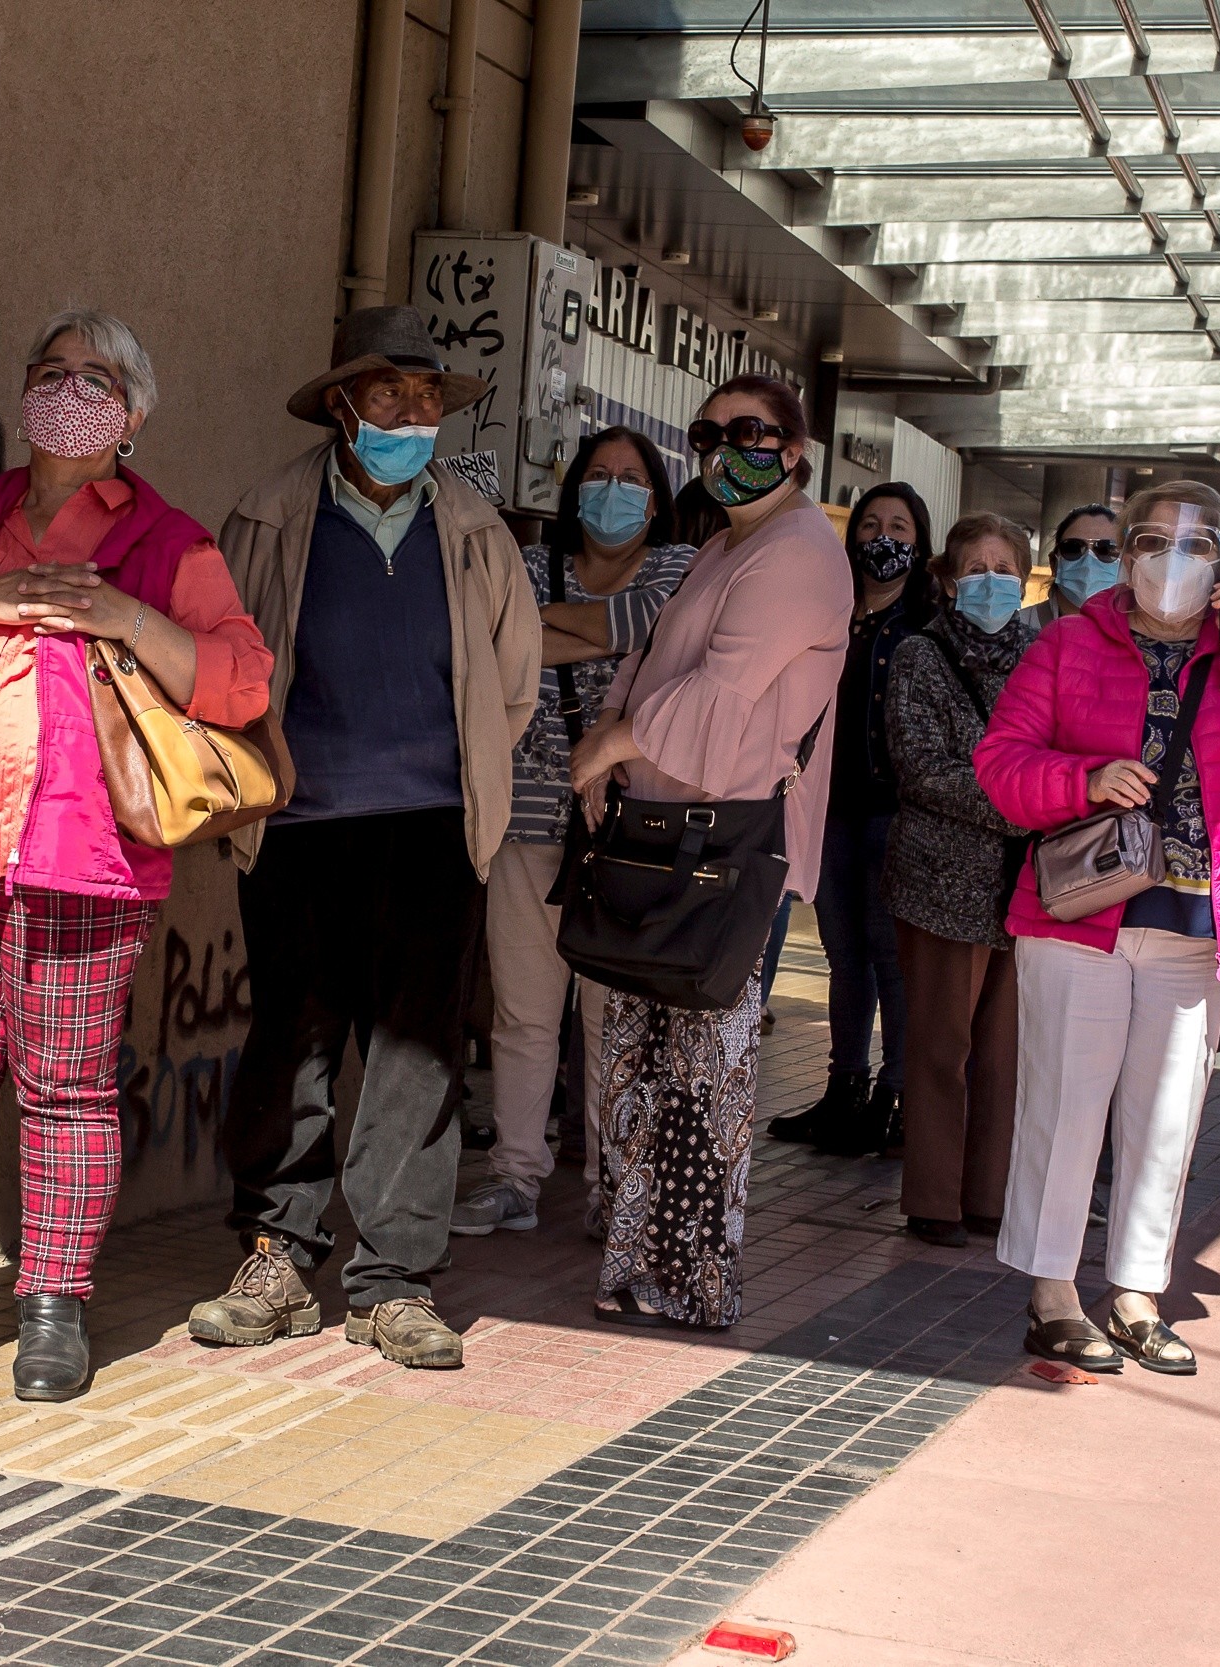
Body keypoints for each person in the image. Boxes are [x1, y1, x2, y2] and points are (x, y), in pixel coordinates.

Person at [0, 309, 273, 1401]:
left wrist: (123, 614)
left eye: (93, 378)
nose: (67, 390)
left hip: (79, 852)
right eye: (49, 372)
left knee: (68, 1087)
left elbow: (240, 680)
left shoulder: (167, 540)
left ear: (128, 416)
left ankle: (50, 1304)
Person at [190, 306, 538, 1371]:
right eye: (387, 394)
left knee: (416, 1057)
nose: (410, 414)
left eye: (426, 397)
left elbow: (511, 680)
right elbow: (223, 665)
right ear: (341, 403)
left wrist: (457, 773)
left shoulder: (472, 525)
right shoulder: (267, 515)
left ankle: (392, 1279)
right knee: (291, 1038)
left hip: (434, 826)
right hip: (296, 824)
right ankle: (278, 1254)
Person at [976, 481, 1220, 1374]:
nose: (1171, 560)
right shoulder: (1066, 642)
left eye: (1195, 544)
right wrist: (1085, 780)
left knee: (1168, 1114)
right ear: (1125, 553)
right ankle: (1051, 1292)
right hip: (1079, 915)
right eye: (1153, 540)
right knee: (1065, 1105)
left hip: (1196, 922)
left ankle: (1135, 1289)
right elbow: (1001, 764)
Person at [569, 373, 850, 1327]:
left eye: (752, 432)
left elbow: (723, 693)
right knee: (643, 1059)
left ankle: (689, 1276)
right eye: (711, 432)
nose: (729, 447)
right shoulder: (728, 546)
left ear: (797, 448)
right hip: (668, 833)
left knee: (701, 1063)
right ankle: (634, 1260)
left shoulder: (800, 551)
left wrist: (610, 742)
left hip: (726, 846)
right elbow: (654, 663)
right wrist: (613, 728)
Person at [452, 426, 696, 1239]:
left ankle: (610, 1185)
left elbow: (648, 624)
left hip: (626, 825)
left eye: (631, 478)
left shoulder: (679, 568)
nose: (614, 490)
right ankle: (515, 1176)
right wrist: (602, 627)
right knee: (523, 1014)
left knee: (610, 1016)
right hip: (526, 816)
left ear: (657, 498)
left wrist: (543, 634)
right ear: (574, 488)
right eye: (599, 475)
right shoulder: (526, 564)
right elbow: (491, 640)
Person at [882, 512, 1041, 1247]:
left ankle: (988, 1195)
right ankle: (934, 1199)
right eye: (974, 568)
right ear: (947, 579)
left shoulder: (1044, 657)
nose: (989, 581)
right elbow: (922, 766)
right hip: (941, 882)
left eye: (1003, 568)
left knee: (1004, 1054)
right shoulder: (920, 655)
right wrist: (1022, 802)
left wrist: (1038, 798)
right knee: (940, 1047)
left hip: (1023, 888)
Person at [766, 482, 935, 1157]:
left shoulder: (929, 624)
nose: (882, 537)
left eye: (898, 525)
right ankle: (846, 1087)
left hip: (897, 815)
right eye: (870, 524)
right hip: (831, 809)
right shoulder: (830, 614)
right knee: (844, 956)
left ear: (920, 542)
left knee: (890, 958)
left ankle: (895, 1096)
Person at [1022, 502, 1122, 628]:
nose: (1088, 562)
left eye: (1106, 549)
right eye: (1073, 548)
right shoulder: (1017, 630)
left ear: (1125, 566)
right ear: (1054, 564)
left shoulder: (1140, 639)